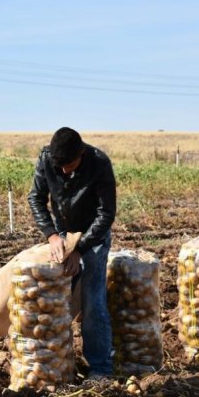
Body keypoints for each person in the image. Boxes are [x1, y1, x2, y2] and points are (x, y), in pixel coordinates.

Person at [27, 127, 117, 380]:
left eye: (69, 164)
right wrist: (52, 235)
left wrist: (80, 248)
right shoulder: (47, 159)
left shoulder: (99, 163)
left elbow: (105, 214)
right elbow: (36, 198)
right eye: (60, 166)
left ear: (81, 153)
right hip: (62, 233)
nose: (64, 170)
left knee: (92, 300)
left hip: (93, 235)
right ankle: (57, 365)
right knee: (54, 300)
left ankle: (100, 368)